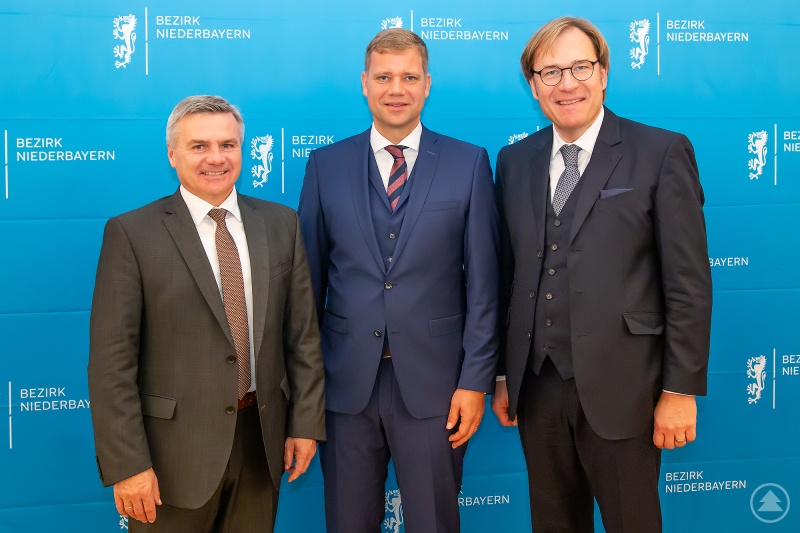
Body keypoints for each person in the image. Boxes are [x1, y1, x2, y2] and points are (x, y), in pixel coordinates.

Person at [491, 17, 712, 532]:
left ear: (605, 73)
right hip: (537, 387)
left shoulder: (660, 152)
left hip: (627, 389)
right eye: (550, 72)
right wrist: (503, 373)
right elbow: (508, 276)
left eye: (580, 67)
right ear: (533, 85)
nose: (566, 83)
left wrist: (680, 392)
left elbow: (689, 284)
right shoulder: (514, 161)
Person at [88, 95, 325, 532]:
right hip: (168, 461)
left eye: (228, 145)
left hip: (262, 445)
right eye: (199, 146)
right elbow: (111, 364)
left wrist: (305, 424)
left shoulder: (281, 224)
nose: (216, 158)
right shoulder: (131, 233)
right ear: (173, 155)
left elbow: (302, 337)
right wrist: (128, 464)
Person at [298, 28, 499, 533]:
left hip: (436, 388)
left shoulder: (468, 162)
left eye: (409, 76)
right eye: (384, 76)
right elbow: (305, 290)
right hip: (345, 390)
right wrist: (306, 393)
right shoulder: (325, 165)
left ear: (427, 84)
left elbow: (485, 285)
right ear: (364, 83)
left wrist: (475, 380)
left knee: (434, 522)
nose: (396, 88)